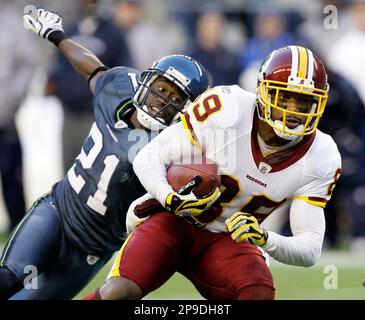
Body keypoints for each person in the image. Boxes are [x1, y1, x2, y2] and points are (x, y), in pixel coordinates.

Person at [83, 45, 342, 300]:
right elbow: (149, 157)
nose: (293, 109)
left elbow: (309, 249)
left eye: (304, 101)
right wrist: (169, 196)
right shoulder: (228, 107)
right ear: (263, 92)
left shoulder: (322, 154)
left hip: (228, 241)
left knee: (257, 294)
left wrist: (264, 238)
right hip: (174, 221)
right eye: (284, 96)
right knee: (119, 293)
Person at [0, 6, 210, 300]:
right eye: (162, 88)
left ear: (185, 110)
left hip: (90, 250)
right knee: (8, 279)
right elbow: (93, 69)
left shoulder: (173, 148)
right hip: (56, 213)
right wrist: (57, 36)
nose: (164, 100)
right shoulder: (119, 87)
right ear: (147, 81)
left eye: (176, 98)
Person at [46, 0, 132, 173]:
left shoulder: (113, 33)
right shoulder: (71, 28)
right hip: (69, 111)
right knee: (69, 170)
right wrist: (55, 82)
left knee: (92, 171)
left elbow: (123, 72)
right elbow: (59, 63)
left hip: (96, 115)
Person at [0, 0, 39, 233]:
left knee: (11, 177)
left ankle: (18, 232)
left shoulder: (13, 21)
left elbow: (28, 65)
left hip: (4, 116)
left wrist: (9, 102)